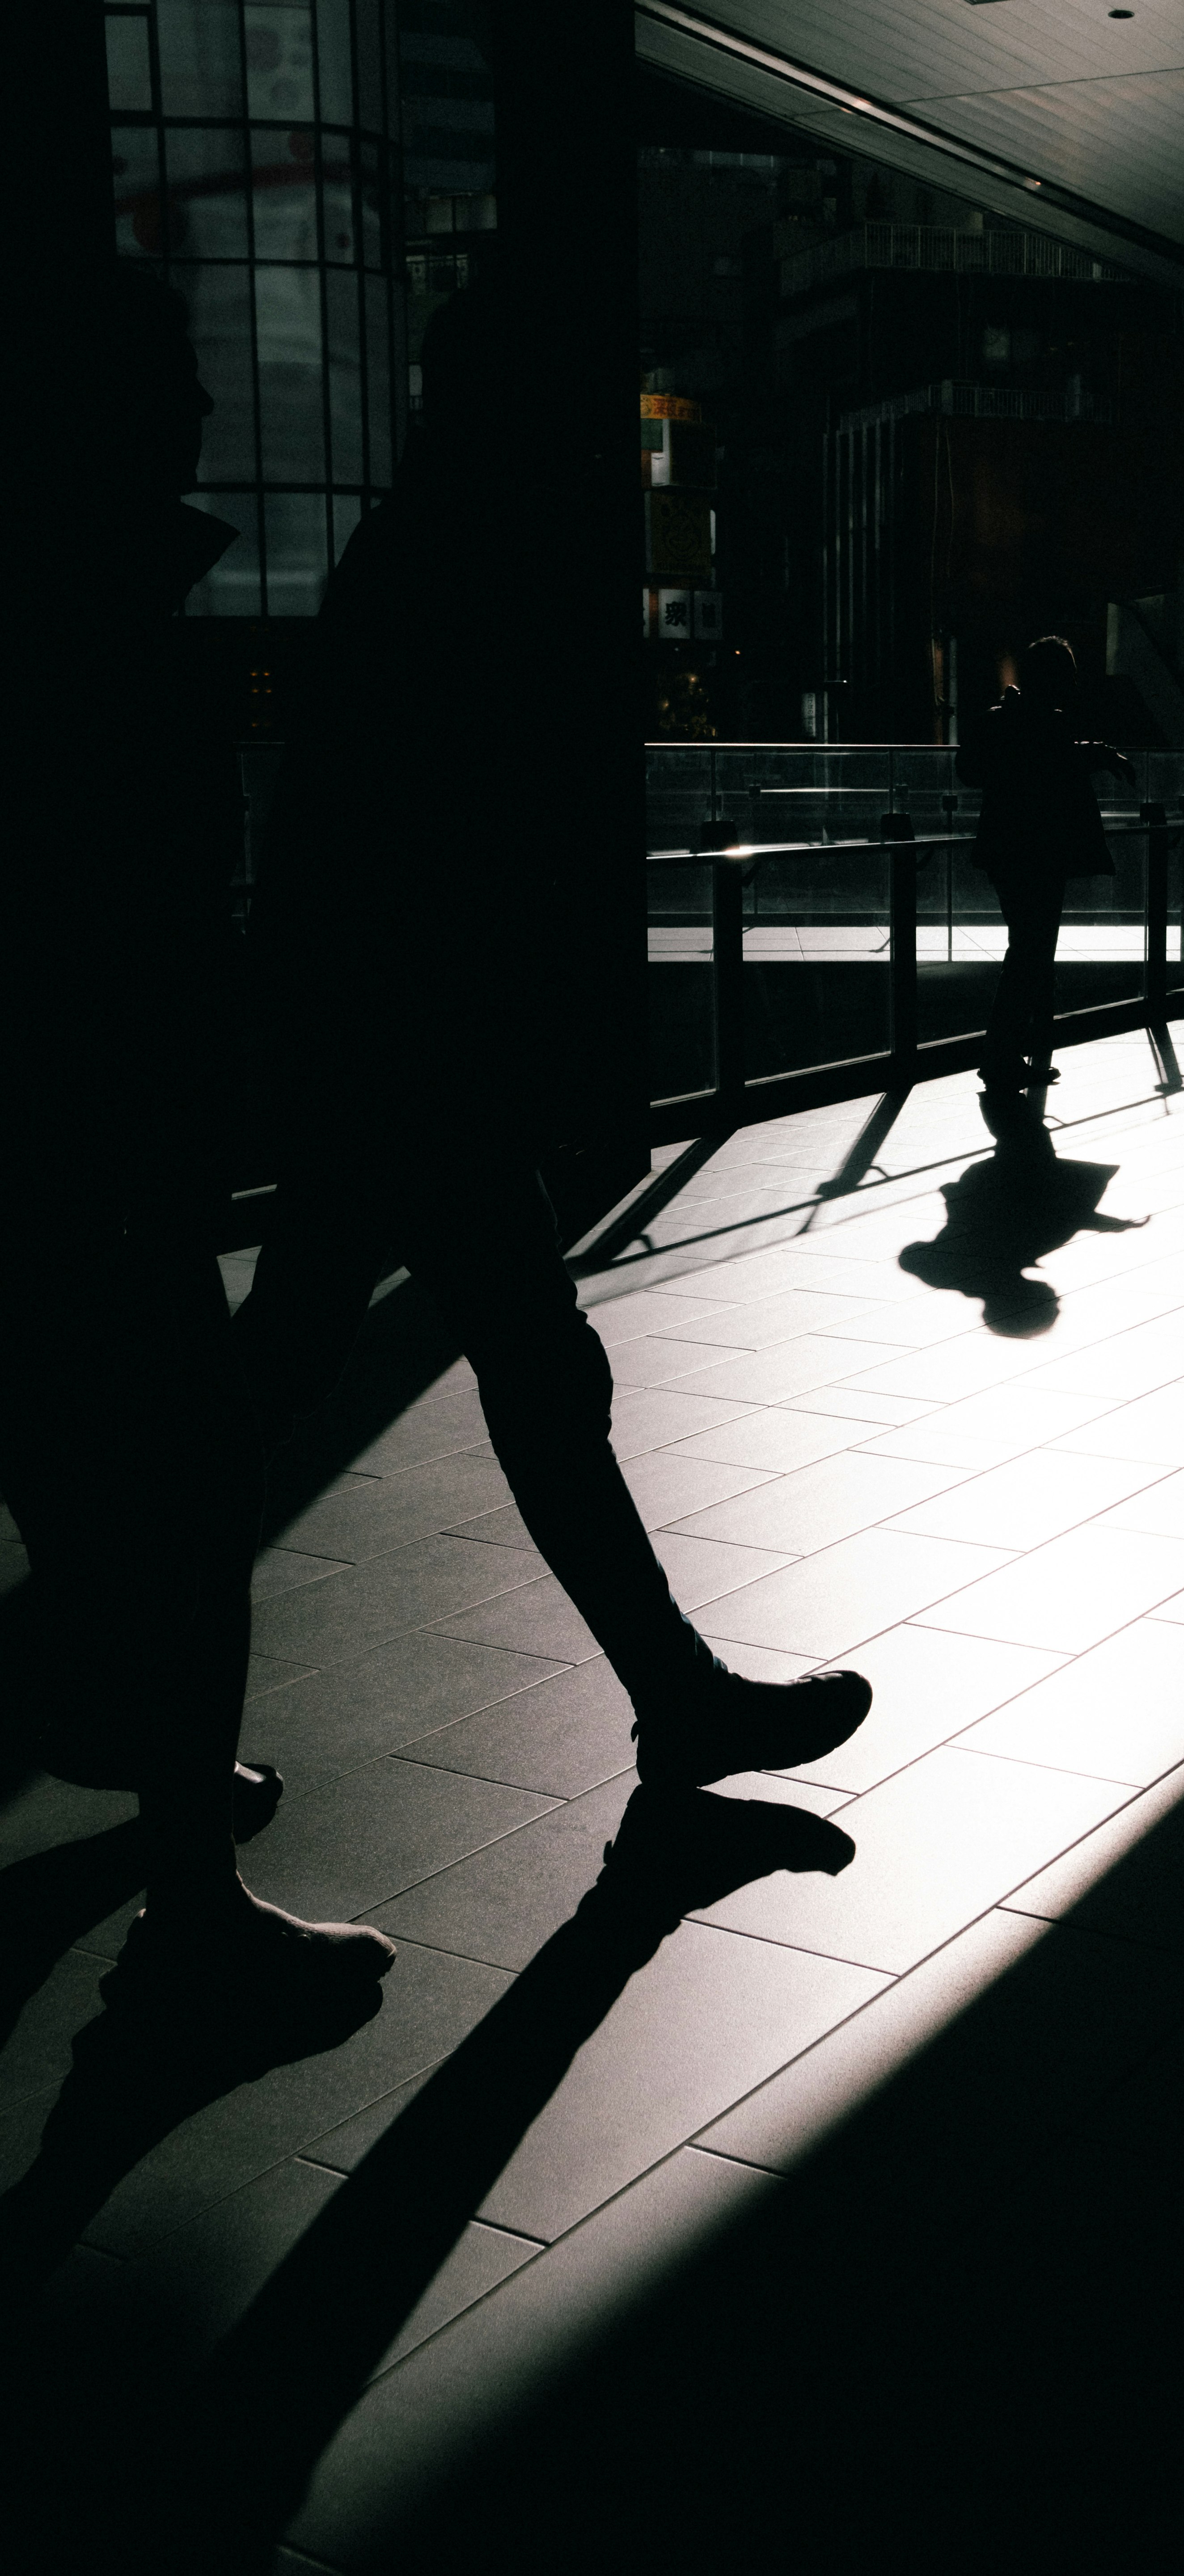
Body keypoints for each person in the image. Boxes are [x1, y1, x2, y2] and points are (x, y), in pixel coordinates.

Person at [232, 267, 871, 1789]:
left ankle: (122, 1673)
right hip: (416, 1060)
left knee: (318, 1368)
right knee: (514, 1367)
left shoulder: (415, 560)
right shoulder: (465, 574)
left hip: (379, 1053)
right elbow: (476, 848)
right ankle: (677, 1698)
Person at [0, 265, 392, 2002]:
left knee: (106, 1494)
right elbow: (131, 909)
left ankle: (165, 1798)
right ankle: (190, 1906)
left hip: (64, 1145)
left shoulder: (65, 594)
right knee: (181, 1488)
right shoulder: (97, 616)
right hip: (96, 1150)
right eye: (170, 378)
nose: (207, 408)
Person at [956, 636, 1135, 1094]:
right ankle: (1005, 1054)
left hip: (1010, 852)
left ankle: (1010, 1053)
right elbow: (1056, 758)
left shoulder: (1010, 722)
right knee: (1031, 954)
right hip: (1036, 854)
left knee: (1029, 952)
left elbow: (973, 769)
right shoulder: (1039, 725)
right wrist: (1097, 752)